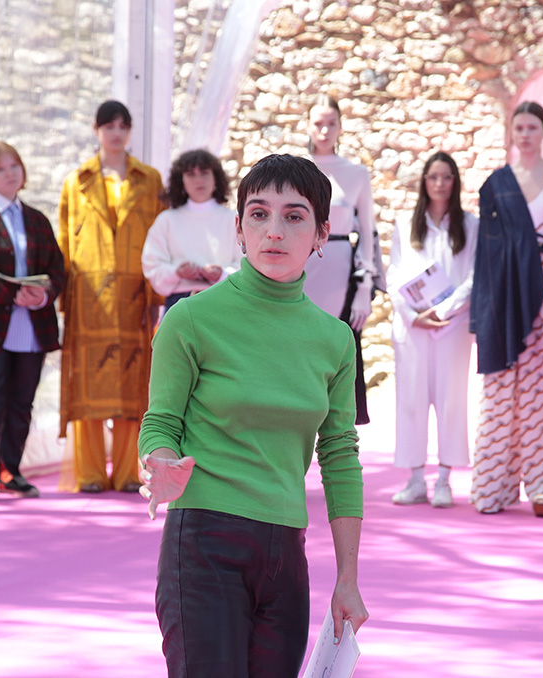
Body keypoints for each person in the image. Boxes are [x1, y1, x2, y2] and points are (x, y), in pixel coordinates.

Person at [138, 153, 368, 676]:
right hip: (203, 545)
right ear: (238, 229)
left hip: (286, 554)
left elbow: (339, 456)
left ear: (321, 234)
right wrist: (161, 461)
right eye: (259, 214)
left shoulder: (335, 340)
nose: (274, 231)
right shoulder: (190, 318)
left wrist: (347, 578)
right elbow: (161, 422)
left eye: (294, 216)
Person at [470, 100, 543, 516]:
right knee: (500, 391)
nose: (526, 134)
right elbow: (485, 252)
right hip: (504, 295)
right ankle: (493, 486)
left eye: (533, 127)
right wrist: (483, 310)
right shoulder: (497, 183)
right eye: (519, 127)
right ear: (511, 133)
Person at [57, 100, 165, 493]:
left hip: (135, 297)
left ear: (130, 131)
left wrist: (155, 297)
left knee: (133, 386)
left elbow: (159, 240)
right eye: (109, 125)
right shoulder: (76, 181)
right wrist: (63, 299)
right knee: (88, 387)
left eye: (123, 125)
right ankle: (88, 473)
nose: (116, 132)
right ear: (96, 129)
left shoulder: (150, 180)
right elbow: (64, 243)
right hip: (87, 300)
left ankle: (126, 471)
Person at [0, 142, 65, 504]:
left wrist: (45, 293)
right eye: (1, 168)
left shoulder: (36, 218)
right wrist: (12, 293)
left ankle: (10, 472)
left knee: (22, 403)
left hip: (31, 326)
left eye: (15, 166)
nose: (10, 173)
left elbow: (57, 269)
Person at [387, 152, 478, 508]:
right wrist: (415, 315)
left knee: (451, 399)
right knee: (411, 399)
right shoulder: (405, 222)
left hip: (453, 326)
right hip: (413, 327)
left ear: (455, 182)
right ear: (424, 181)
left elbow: (473, 277)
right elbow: (393, 275)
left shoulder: (470, 225)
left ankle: (443, 479)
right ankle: (414, 479)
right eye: (433, 177)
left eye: (447, 177)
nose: (439, 184)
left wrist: (444, 310)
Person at [305, 94, 378, 425]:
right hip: (301, 266)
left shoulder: (356, 173)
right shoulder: (297, 168)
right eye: (318, 123)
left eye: (331, 123)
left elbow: (368, 232)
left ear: (340, 127)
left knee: (341, 350)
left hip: (340, 267)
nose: (324, 130)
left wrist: (365, 287)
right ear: (308, 125)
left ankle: (338, 433)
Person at [141, 149, 241, 311]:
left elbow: (246, 262)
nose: (198, 180)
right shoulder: (167, 220)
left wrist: (222, 274)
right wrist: (177, 273)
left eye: (204, 173)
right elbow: (152, 265)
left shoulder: (232, 219)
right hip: (178, 305)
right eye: (191, 174)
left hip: (224, 301)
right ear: (181, 180)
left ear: (216, 177)